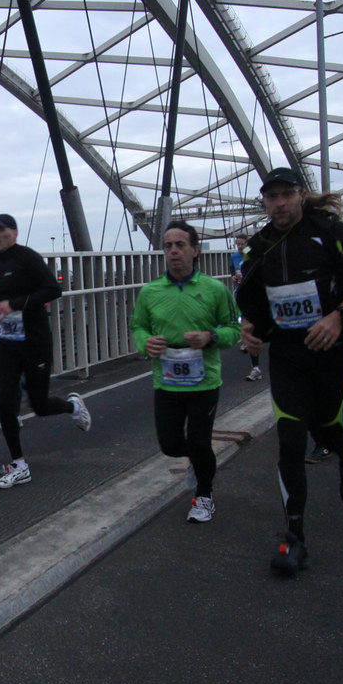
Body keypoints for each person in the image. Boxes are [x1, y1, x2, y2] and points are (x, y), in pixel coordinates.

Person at [236, 168, 343, 575]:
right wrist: (250, 327)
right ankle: (294, 539)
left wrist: (339, 316)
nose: (279, 203)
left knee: (328, 426)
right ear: (264, 202)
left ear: (300, 195)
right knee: (291, 439)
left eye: (286, 194)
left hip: (331, 349)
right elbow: (253, 297)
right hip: (288, 352)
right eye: (271, 197)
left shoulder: (332, 233)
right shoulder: (260, 245)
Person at [0, 214, 91, 488]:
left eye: (0, 230)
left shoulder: (28, 258)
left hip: (35, 342)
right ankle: (19, 465)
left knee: (40, 405)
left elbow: (53, 290)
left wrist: (15, 305)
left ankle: (73, 406)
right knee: (5, 402)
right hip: (8, 343)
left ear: (14, 233)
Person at [132, 221, 241, 523]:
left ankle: (204, 496)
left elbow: (234, 329)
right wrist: (145, 343)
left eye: (180, 245)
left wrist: (211, 336)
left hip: (204, 381)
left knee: (200, 441)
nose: (173, 251)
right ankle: (197, 459)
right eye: (168, 246)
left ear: (195, 250)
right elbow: (138, 326)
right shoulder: (150, 292)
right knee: (169, 445)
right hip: (166, 380)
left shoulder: (214, 289)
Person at [230, 234, 262, 382]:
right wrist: (233, 277)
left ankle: (257, 366)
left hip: (255, 294)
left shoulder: (253, 255)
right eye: (238, 244)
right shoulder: (234, 257)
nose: (240, 247)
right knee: (245, 322)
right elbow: (232, 270)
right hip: (241, 293)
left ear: (247, 244)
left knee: (254, 326)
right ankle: (256, 368)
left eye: (242, 244)